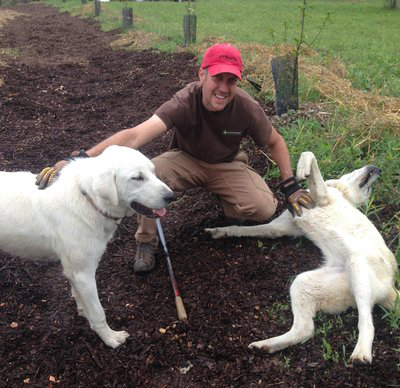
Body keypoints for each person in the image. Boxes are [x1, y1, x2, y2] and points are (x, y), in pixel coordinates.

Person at [36, 43, 315, 274]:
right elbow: (134, 136)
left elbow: (275, 141)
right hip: (186, 159)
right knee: (148, 177)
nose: (224, 88)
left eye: (231, 80)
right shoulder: (184, 101)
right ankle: (146, 242)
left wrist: (289, 184)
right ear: (202, 75)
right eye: (218, 77)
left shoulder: (246, 108)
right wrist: (82, 159)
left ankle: (225, 199)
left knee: (264, 208)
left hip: (227, 164)